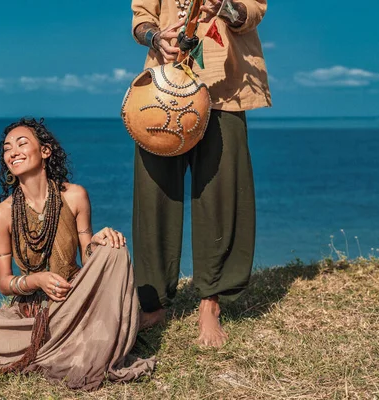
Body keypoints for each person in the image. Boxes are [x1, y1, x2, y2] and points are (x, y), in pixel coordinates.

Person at [0, 118, 155, 390]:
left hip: (76, 300)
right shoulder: (1, 216)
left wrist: (97, 241)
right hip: (34, 316)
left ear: (45, 151)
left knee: (114, 249)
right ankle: (108, 329)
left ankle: (113, 325)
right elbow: (5, 283)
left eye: (21, 143)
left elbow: (88, 258)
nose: (12, 152)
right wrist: (37, 280)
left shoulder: (74, 196)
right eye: (6, 148)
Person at [130, 0, 271, 347]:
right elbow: (141, 19)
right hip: (163, 87)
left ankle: (211, 300)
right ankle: (155, 301)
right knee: (154, 194)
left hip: (226, 88)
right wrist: (155, 38)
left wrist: (224, 7)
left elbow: (252, 12)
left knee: (222, 194)